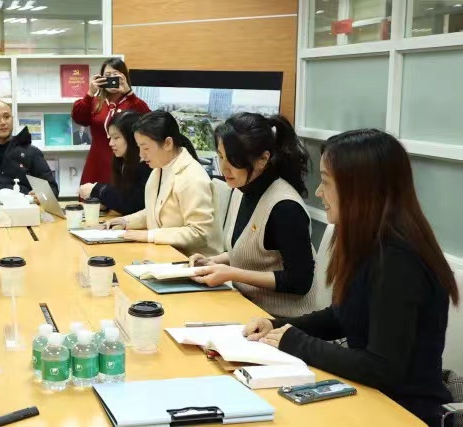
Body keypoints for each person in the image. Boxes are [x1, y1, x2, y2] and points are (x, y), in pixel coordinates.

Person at [243, 129, 458, 426]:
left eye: (326, 182)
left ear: (361, 189)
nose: (319, 192)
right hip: (370, 397)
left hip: (403, 412)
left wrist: (296, 342)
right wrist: (278, 326)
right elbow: (343, 315)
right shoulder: (370, 242)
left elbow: (381, 367)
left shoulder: (398, 260)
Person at [188, 113, 320, 317]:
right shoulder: (242, 189)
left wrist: (231, 273)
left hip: (282, 319)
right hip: (247, 307)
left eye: (234, 160)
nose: (224, 168)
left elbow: (299, 281)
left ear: (263, 159)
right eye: (221, 157)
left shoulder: (285, 207)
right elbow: (255, 255)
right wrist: (213, 261)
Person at [103, 111, 223, 257]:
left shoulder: (192, 177)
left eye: (146, 148)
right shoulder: (160, 168)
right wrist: (125, 221)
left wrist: (151, 235)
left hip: (193, 260)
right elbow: (156, 211)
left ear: (167, 143)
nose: (141, 155)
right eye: (139, 147)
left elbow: (199, 232)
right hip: (166, 253)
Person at [72, 58, 151, 187]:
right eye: (107, 76)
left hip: (125, 162)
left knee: (122, 196)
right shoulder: (96, 102)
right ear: (101, 78)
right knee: (92, 195)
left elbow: (148, 122)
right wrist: (90, 93)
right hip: (97, 160)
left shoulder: (132, 102)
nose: (112, 80)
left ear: (124, 77)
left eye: (116, 75)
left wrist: (129, 93)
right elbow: (79, 118)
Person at [78, 111, 151, 215]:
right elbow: (122, 196)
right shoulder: (121, 162)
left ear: (133, 138)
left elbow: (136, 204)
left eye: (116, 138)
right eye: (110, 138)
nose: (111, 143)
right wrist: (106, 203)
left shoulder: (147, 164)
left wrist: (96, 190)